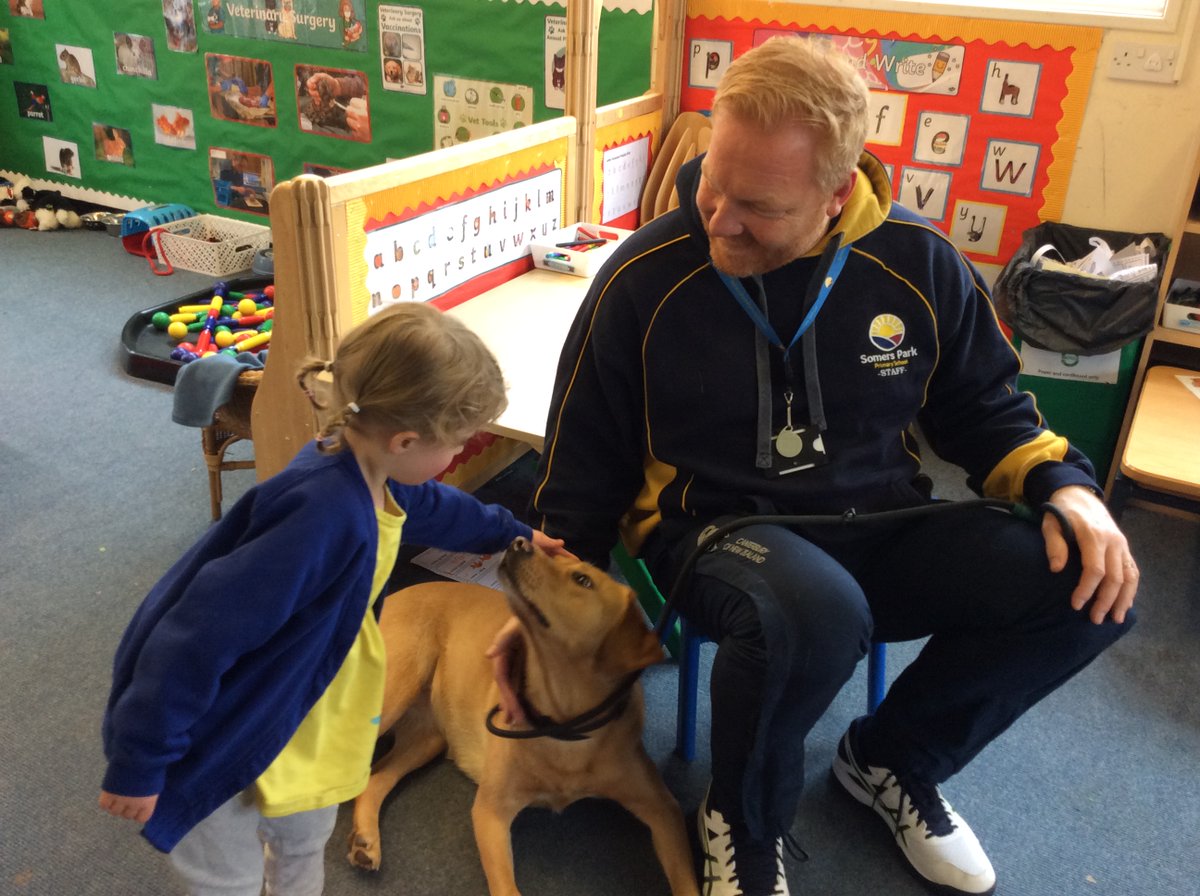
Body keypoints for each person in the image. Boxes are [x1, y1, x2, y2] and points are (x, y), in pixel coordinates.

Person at [519, 36, 1137, 896]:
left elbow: (984, 412)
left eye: (758, 205)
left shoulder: (920, 262)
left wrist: (1070, 488)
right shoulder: (643, 278)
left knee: (1092, 585)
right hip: (716, 533)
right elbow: (581, 464)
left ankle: (890, 759)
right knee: (809, 612)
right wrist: (539, 622)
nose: (719, 219)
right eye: (712, 182)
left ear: (837, 193)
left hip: (879, 524)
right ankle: (741, 813)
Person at [99, 302, 568, 896]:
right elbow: (192, 639)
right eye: (457, 445)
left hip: (309, 699)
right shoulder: (320, 518)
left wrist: (512, 533)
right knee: (228, 877)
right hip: (228, 724)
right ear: (406, 440)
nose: (456, 458)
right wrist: (143, 760)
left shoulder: (374, 471)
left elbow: (432, 507)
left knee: (302, 838)